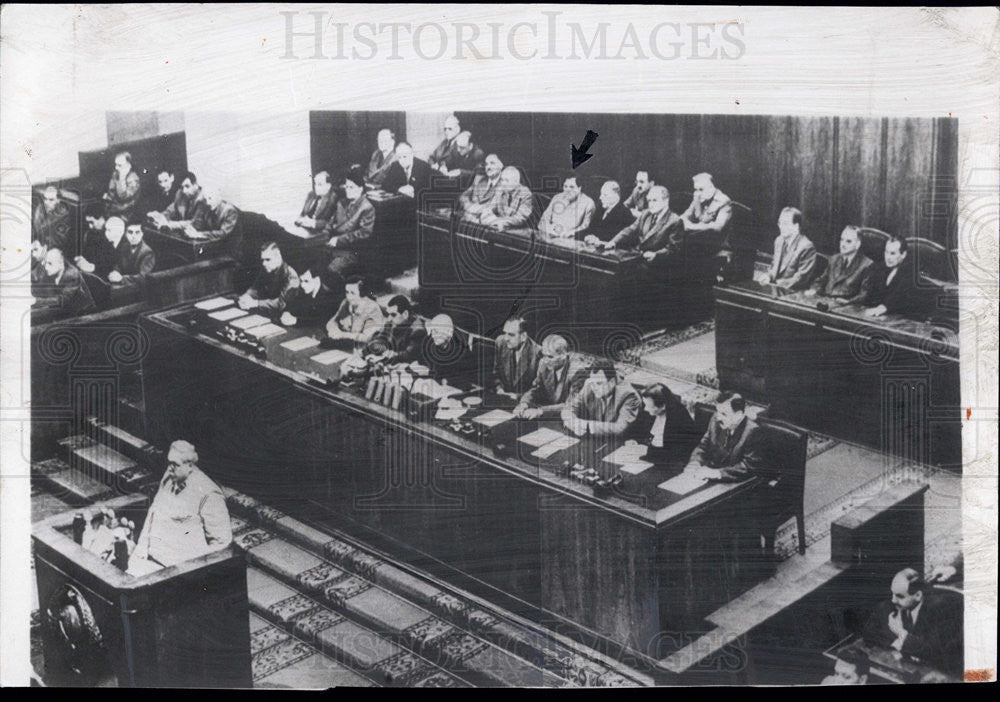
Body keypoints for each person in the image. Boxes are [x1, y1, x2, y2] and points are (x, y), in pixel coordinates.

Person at [129, 440, 232, 573]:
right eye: (169, 463)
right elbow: (153, 514)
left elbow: (222, 544)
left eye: (175, 465)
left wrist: (195, 572)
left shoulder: (209, 494)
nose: (170, 468)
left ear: (190, 466)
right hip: (150, 560)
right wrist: (139, 554)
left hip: (181, 571)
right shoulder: (169, 477)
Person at [862, 568, 963, 677]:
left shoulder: (942, 613)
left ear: (918, 595)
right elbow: (869, 635)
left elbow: (937, 655)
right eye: (893, 594)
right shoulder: (888, 607)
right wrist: (895, 648)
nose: (893, 600)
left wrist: (901, 633)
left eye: (900, 596)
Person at [591, 186, 685, 264]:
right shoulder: (646, 214)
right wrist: (613, 242)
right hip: (637, 256)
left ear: (666, 201)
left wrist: (656, 255)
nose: (650, 204)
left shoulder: (675, 221)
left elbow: (673, 249)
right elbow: (630, 230)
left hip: (656, 264)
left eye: (654, 200)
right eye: (649, 201)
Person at [684, 392, 764, 481]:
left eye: (724, 414)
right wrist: (695, 463)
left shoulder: (752, 431)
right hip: (709, 474)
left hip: (734, 481)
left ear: (738, 415)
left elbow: (748, 467)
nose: (718, 417)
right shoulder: (715, 420)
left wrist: (717, 473)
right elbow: (703, 446)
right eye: (717, 411)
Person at [321, 167, 376, 284]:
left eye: (351, 187)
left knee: (331, 269)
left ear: (360, 189)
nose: (348, 190)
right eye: (347, 187)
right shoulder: (342, 202)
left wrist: (339, 240)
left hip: (352, 251)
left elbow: (363, 234)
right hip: (334, 247)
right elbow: (330, 223)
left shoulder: (367, 207)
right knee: (315, 260)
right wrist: (325, 236)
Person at [512, 334, 586, 419]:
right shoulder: (543, 363)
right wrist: (524, 403)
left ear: (564, 355)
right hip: (553, 415)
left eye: (550, 357)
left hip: (572, 419)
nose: (545, 360)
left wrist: (540, 411)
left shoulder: (577, 372)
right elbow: (536, 389)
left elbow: (572, 405)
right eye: (544, 355)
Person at [561, 360, 641, 438]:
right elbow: (569, 407)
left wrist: (585, 425)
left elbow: (619, 428)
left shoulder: (629, 396)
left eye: (599, 383)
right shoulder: (590, 385)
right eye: (592, 382)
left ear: (612, 382)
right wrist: (572, 422)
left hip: (623, 444)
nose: (594, 387)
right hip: (597, 439)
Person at [853, 236, 926, 320]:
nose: (888, 257)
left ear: (903, 254)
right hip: (886, 316)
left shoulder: (911, 271)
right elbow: (871, 294)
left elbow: (899, 295)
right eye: (886, 252)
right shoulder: (880, 267)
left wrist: (882, 308)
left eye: (893, 253)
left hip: (911, 318)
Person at [633, 383, 701, 466]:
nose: (645, 409)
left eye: (649, 406)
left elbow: (674, 454)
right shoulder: (651, 413)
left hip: (671, 465)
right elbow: (641, 433)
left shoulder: (678, 420)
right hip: (650, 460)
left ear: (662, 406)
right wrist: (635, 441)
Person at [805, 225, 873, 299]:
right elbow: (821, 280)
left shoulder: (867, 265)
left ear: (857, 244)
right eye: (841, 240)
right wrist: (814, 289)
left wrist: (847, 302)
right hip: (826, 301)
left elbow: (864, 295)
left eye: (848, 241)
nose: (842, 244)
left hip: (844, 307)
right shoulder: (834, 258)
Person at [765, 207, 818, 290]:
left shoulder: (806, 247)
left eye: (785, 223)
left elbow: (800, 278)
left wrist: (777, 283)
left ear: (796, 226)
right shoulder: (779, 240)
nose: (781, 227)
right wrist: (768, 276)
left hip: (793, 293)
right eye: (780, 223)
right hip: (777, 289)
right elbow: (774, 266)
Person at [238, 242, 299, 313]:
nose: (264, 263)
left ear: (278, 256)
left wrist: (255, 303)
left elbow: (281, 303)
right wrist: (247, 296)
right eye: (263, 260)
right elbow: (256, 288)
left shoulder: (291, 276)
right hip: (268, 311)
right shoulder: (267, 270)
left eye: (268, 259)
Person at [363, 295, 426, 363]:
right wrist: (366, 351)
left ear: (405, 314)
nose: (389, 318)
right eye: (388, 314)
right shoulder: (391, 322)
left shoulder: (418, 330)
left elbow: (408, 356)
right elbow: (380, 340)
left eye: (393, 315)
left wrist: (385, 354)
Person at [34, 249, 97, 316]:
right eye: (45, 263)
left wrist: (36, 301)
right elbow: (41, 289)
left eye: (50, 263)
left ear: (61, 262)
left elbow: (62, 300)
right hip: (66, 313)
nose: (46, 267)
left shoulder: (72, 275)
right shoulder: (51, 274)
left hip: (84, 315)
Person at [325, 275, 385, 345]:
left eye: (352, 293)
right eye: (347, 292)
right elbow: (332, 322)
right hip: (349, 345)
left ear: (362, 295)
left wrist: (342, 335)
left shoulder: (372, 308)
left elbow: (368, 338)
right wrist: (334, 330)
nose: (348, 297)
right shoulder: (346, 302)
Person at [492, 316, 541, 397]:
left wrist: (519, 396)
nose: (506, 338)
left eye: (511, 335)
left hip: (525, 402)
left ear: (523, 336)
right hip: (503, 397)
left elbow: (538, 388)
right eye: (505, 333)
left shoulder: (537, 353)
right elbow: (496, 373)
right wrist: (499, 388)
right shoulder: (500, 342)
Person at [422, 314, 477, 382]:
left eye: (436, 331)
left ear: (449, 332)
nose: (433, 335)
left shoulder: (461, 353)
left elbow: (463, 381)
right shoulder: (433, 347)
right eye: (432, 331)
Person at [680, 173, 733, 245]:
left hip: (716, 244)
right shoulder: (698, 197)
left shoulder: (723, 201)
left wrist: (691, 226)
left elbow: (717, 227)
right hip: (699, 241)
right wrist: (684, 221)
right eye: (696, 189)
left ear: (711, 187)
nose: (698, 193)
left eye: (701, 189)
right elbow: (685, 216)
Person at [538, 175, 596, 239]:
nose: (567, 190)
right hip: (549, 236)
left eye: (571, 187)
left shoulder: (588, 203)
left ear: (579, 188)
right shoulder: (557, 197)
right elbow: (544, 218)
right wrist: (548, 229)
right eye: (565, 186)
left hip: (570, 240)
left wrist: (571, 233)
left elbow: (586, 226)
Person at [479, 166, 534, 230]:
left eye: (507, 180)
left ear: (516, 182)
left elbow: (520, 219)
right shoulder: (500, 190)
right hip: (500, 228)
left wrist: (498, 221)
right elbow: (490, 207)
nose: (503, 183)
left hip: (517, 231)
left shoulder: (526, 194)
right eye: (502, 180)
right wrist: (486, 214)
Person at [76, 215, 128, 280]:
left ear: (120, 232)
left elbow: (117, 267)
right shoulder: (104, 240)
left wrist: (93, 267)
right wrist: (84, 261)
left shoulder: (127, 247)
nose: (106, 233)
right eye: (106, 229)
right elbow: (101, 260)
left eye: (109, 230)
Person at [108, 217, 156, 286]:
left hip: (141, 289)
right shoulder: (124, 247)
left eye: (137, 232)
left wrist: (121, 279)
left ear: (142, 234)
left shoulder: (147, 253)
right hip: (126, 286)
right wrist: (116, 272)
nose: (133, 236)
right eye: (130, 232)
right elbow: (119, 264)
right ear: (125, 234)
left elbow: (143, 277)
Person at [457, 153, 504, 221]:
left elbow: (494, 207)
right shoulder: (479, 179)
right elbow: (463, 197)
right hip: (468, 218)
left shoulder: (504, 184)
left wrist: (475, 209)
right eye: (486, 164)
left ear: (501, 166)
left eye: (492, 163)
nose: (488, 167)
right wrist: (470, 207)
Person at [32, 186, 73, 255]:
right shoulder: (40, 208)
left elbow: (60, 240)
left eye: (51, 200)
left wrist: (42, 245)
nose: (47, 202)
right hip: (36, 245)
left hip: (51, 251)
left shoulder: (64, 215)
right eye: (45, 199)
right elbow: (34, 228)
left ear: (58, 200)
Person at [104, 151, 142, 219]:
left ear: (128, 165)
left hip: (126, 214)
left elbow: (123, 196)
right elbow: (111, 192)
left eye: (120, 165)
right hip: (112, 211)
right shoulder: (115, 174)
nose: (116, 167)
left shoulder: (133, 178)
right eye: (116, 164)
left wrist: (122, 178)